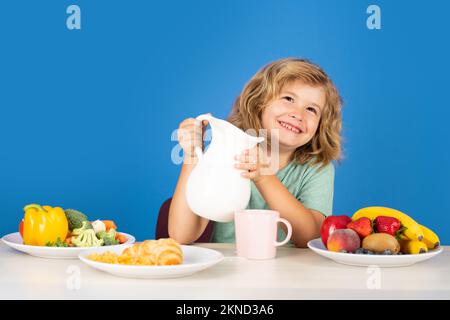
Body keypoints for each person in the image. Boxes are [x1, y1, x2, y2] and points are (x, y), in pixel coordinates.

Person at [168, 58, 342, 248]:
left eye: (311, 109)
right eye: (288, 99)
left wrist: (265, 177)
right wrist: (192, 155)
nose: (297, 114)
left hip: (289, 275)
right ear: (260, 102)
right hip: (225, 271)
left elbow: (310, 237)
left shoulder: (317, 168)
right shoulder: (227, 152)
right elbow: (181, 235)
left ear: (320, 125)